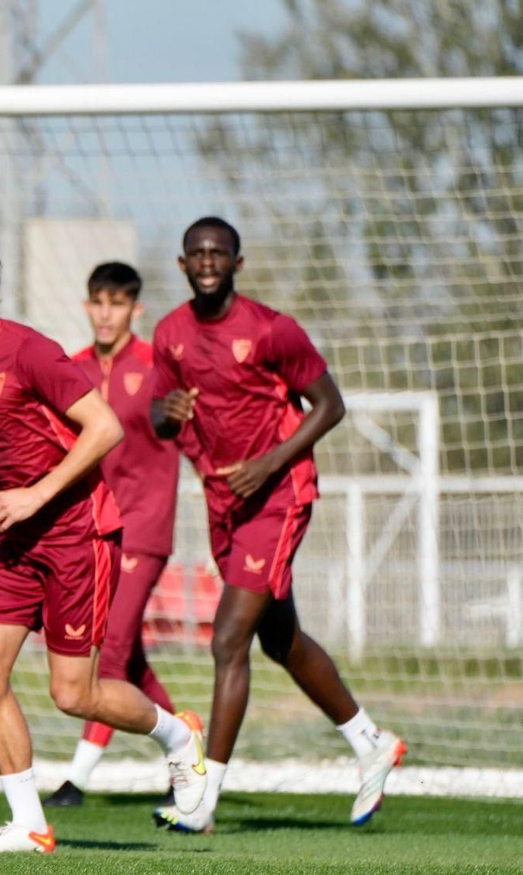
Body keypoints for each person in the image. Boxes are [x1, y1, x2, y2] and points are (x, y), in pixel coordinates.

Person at [0, 239, 207, 853]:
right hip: (14, 540)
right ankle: (30, 823)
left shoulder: (29, 350)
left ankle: (178, 737)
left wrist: (32, 495)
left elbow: (105, 428)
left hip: (79, 532)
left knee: (73, 694)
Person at [149, 216, 406, 832]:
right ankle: (371, 741)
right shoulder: (169, 334)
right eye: (197, 253)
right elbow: (160, 419)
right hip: (223, 500)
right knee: (278, 639)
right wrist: (169, 410)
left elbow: (330, 405)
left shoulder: (272, 330)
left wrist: (268, 463)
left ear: (238, 262)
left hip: (278, 494)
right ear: (183, 265)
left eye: (219, 252)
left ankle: (202, 799)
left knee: (228, 640)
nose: (208, 261)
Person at [48, 262, 199, 806]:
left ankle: (77, 779)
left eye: (117, 303)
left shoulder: (159, 367)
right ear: (87, 307)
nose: (105, 313)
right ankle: (186, 740)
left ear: (135, 309)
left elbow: (182, 424)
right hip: (93, 530)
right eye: (97, 302)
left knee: (108, 652)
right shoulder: (73, 367)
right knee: (127, 657)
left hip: (145, 529)